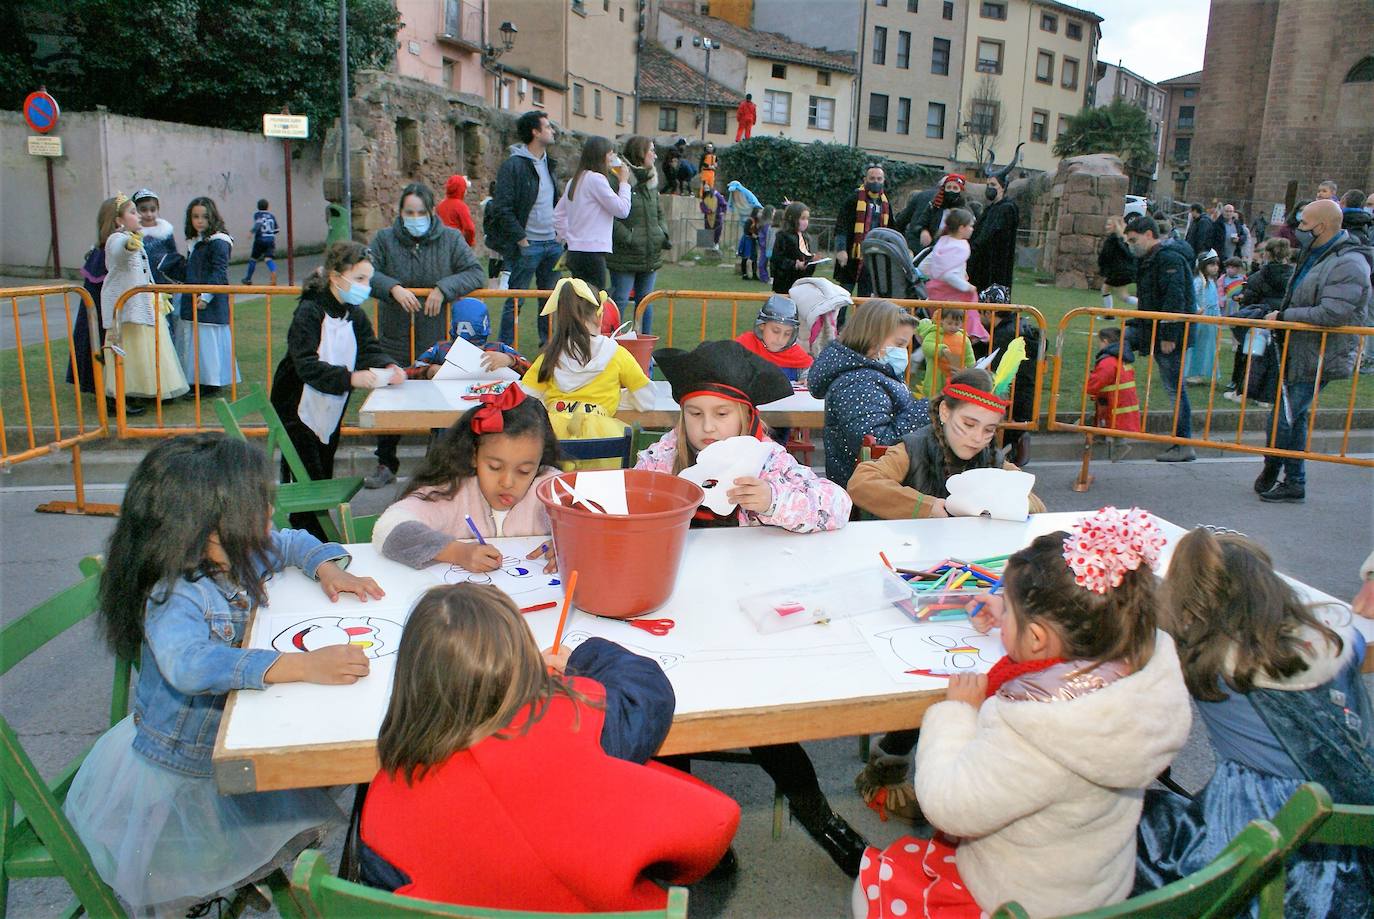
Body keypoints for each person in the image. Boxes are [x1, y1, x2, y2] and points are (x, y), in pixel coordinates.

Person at [63, 433, 383, 915]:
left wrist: (326, 567)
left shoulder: (234, 550)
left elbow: (290, 541)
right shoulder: (174, 593)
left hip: (230, 732)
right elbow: (189, 663)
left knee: (321, 764)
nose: (269, 521)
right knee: (309, 777)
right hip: (187, 769)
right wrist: (298, 665)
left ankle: (237, 874)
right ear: (206, 528)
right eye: (258, 512)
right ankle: (208, 887)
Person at [855, 508, 1192, 918]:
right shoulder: (1138, 667)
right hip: (1094, 886)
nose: (1002, 616)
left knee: (871, 885)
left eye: (1009, 612)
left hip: (1019, 901)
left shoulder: (1036, 726)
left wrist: (956, 714)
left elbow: (948, 804)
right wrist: (1013, 617)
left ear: (1037, 638)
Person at [358, 583, 739, 910]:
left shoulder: (383, 810)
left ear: (410, 681)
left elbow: (390, 900)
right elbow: (648, 692)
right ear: (526, 665)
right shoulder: (576, 716)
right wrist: (583, 657)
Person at [637, 340, 864, 875]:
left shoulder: (770, 461)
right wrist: (660, 498)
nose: (707, 428)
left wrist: (775, 501)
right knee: (669, 721)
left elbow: (838, 506)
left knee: (764, 723)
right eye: (695, 414)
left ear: (747, 416)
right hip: (677, 613)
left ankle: (822, 819)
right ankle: (690, 837)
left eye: (721, 415)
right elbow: (632, 502)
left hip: (745, 616)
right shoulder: (665, 456)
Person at [1136, 527, 1373, 915]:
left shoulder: (1203, 660)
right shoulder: (1340, 640)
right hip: (1349, 811)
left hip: (1255, 820)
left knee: (1136, 822)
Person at [847, 367, 1044, 819]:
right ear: (943, 411)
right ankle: (894, 756)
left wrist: (1012, 500)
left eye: (989, 429)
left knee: (982, 659)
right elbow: (863, 483)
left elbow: (1036, 503)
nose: (977, 438)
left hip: (974, 586)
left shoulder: (993, 460)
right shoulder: (911, 448)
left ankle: (967, 755)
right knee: (931, 663)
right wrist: (932, 507)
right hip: (909, 580)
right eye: (967, 424)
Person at [270, 242, 405, 537]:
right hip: (296, 404)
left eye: (368, 280)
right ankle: (307, 533)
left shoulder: (352, 313)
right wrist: (351, 379)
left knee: (324, 464)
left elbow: (369, 347)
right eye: (358, 279)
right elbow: (305, 364)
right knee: (308, 475)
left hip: (330, 403)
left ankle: (313, 531)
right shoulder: (309, 311)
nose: (364, 287)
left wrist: (389, 365)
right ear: (335, 276)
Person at [365, 182, 485, 488]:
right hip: (395, 334)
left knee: (439, 394)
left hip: (434, 335)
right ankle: (385, 462)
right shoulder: (384, 239)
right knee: (389, 394)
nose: (414, 217)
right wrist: (392, 287)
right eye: (409, 212)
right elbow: (368, 273)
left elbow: (474, 272)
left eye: (420, 212)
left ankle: (436, 460)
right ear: (400, 212)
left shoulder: (450, 238)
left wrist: (444, 288)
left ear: (431, 212)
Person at [1256, 198, 1373, 503]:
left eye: (1304, 224)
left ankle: (1277, 467)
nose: (1298, 229)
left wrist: (1284, 318)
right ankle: (1292, 479)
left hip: (1321, 353)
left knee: (1287, 416)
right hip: (1302, 348)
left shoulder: (1349, 262)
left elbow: (1333, 313)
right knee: (1293, 414)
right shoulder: (1316, 253)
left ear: (1321, 227)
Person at [373, 386, 559, 570]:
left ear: (539, 462)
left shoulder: (552, 489)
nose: (507, 482)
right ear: (473, 455)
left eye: (525, 471)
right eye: (494, 467)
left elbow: (588, 527)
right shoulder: (450, 491)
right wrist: (456, 552)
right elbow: (387, 527)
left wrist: (569, 545)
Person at [808, 299, 931, 488]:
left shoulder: (871, 374)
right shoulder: (857, 384)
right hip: (871, 489)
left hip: (881, 482)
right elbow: (877, 445)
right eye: (899, 344)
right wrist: (927, 410)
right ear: (873, 338)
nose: (902, 352)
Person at [522, 277, 655, 442]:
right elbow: (646, 400)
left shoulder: (550, 355)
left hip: (554, 435)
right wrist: (616, 397)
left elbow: (525, 397)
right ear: (600, 317)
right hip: (602, 435)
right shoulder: (616, 354)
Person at [101, 193, 189, 407]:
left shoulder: (134, 238)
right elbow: (119, 251)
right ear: (118, 220)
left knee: (150, 348)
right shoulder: (118, 239)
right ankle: (120, 395)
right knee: (129, 350)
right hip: (127, 307)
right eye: (132, 212)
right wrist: (129, 244)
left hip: (144, 303)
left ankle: (153, 388)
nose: (139, 215)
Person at [1123, 213, 1197, 462]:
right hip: (1156, 329)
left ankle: (1183, 442)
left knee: (1175, 389)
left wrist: (1169, 334)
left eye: (1133, 240)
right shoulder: (1153, 259)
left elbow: (1175, 299)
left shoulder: (1167, 259)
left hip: (1169, 333)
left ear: (1148, 235)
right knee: (1116, 340)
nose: (1131, 245)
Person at [487, 111, 563, 346]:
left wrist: (560, 234)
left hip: (552, 244)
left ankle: (548, 350)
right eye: (547, 127)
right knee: (516, 300)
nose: (552, 131)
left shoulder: (550, 164)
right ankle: (505, 349)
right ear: (535, 132)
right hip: (528, 245)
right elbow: (502, 207)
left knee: (550, 301)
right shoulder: (514, 165)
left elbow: (553, 202)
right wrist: (521, 239)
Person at [175, 196, 241, 392]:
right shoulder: (196, 241)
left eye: (204, 216)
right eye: (195, 216)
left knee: (208, 343)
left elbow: (219, 272)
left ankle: (210, 382)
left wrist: (206, 295)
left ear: (212, 217)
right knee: (196, 341)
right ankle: (197, 379)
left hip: (209, 300)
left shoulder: (219, 241)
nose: (200, 220)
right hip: (193, 296)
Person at [607, 136, 671, 335]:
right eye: (651, 150)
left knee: (646, 302)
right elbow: (610, 217)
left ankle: (644, 348)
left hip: (650, 252)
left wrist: (662, 232)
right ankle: (610, 346)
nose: (655, 154)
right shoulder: (616, 178)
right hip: (625, 255)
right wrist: (629, 238)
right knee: (620, 301)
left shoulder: (652, 180)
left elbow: (658, 211)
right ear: (639, 152)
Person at [553, 136, 632, 291]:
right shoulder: (596, 179)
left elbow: (558, 215)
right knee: (596, 300)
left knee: (580, 300)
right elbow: (622, 210)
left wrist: (568, 237)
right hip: (592, 252)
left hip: (575, 251)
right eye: (610, 154)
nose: (613, 158)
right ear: (601, 155)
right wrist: (624, 182)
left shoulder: (575, 180)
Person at [406, 297, 530, 380]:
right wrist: (429, 371)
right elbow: (410, 372)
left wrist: (510, 360)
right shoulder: (441, 349)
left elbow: (533, 372)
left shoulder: (499, 349)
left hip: (491, 406)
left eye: (477, 347)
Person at [920, 209, 989, 343]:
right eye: (970, 226)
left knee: (940, 328)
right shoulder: (960, 247)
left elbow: (925, 267)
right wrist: (966, 287)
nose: (972, 229)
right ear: (961, 228)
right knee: (961, 324)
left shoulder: (942, 242)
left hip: (935, 291)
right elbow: (949, 274)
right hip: (952, 293)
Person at [967, 144, 1023, 293]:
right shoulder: (991, 208)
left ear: (1003, 187)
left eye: (993, 184)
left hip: (997, 265)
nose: (989, 188)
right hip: (983, 264)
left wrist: (973, 248)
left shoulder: (1007, 208)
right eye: (988, 184)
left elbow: (989, 235)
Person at [833, 164, 892, 297]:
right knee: (843, 295)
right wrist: (841, 250)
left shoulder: (886, 204)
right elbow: (841, 226)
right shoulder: (853, 200)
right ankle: (840, 319)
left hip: (873, 256)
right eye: (872, 178)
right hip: (852, 255)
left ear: (883, 181)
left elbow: (892, 229)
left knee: (865, 297)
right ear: (865, 180)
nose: (875, 182)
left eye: (879, 178)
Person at [1085, 327, 1141, 452]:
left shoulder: (1108, 361)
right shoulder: (1122, 358)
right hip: (1122, 400)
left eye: (1099, 342)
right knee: (1113, 422)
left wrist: (1089, 387)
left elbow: (1098, 380)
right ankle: (1101, 436)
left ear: (1105, 342)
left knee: (1113, 422)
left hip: (1114, 401)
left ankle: (1119, 447)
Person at [1184, 249, 1221, 385]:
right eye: (1212, 265)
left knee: (1206, 347)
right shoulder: (1198, 281)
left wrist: (1218, 317)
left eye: (1216, 265)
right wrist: (1197, 309)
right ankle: (1189, 373)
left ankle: (1199, 372)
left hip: (1210, 320)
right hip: (1200, 319)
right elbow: (1191, 297)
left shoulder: (1211, 282)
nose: (1215, 268)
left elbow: (1215, 302)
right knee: (1195, 346)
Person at [917, 308, 974, 397]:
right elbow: (926, 347)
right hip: (935, 376)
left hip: (955, 376)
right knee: (933, 397)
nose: (953, 327)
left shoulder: (964, 339)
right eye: (949, 323)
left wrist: (971, 368)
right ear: (942, 320)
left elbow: (969, 356)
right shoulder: (934, 333)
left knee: (952, 397)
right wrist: (941, 349)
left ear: (962, 323)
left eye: (957, 324)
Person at [131, 188, 182, 286]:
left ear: (158, 209)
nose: (149, 214)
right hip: (140, 281)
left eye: (153, 210)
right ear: (135, 211)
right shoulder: (133, 233)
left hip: (163, 280)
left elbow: (173, 256)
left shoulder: (165, 232)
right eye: (143, 210)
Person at [770, 201, 817, 294]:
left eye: (807, 219)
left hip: (802, 284)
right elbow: (777, 259)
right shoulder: (782, 236)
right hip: (785, 283)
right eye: (802, 218)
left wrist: (812, 261)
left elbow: (806, 261)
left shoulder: (806, 237)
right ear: (793, 219)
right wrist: (794, 264)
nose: (806, 222)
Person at [911, 173, 968, 250]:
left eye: (955, 188)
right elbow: (919, 224)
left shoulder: (965, 212)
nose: (951, 190)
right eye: (949, 187)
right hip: (931, 248)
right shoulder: (934, 206)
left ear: (960, 191)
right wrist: (923, 231)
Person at [1098, 215, 1138, 308]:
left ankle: (1147, 305)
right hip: (1123, 272)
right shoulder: (1123, 238)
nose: (1106, 227)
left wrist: (1103, 266)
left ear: (1115, 226)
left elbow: (1106, 254)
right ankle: (1108, 314)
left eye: (1109, 225)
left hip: (1118, 272)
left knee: (1121, 295)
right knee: (1110, 291)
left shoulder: (1114, 239)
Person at [242, 198, 279, 285]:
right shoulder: (272, 216)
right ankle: (273, 272)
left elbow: (258, 224)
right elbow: (277, 230)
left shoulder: (257, 215)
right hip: (270, 239)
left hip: (260, 239)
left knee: (253, 259)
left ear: (258, 207)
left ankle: (248, 279)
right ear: (268, 207)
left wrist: (252, 232)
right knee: (268, 259)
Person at [435, 175, 476, 246]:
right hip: (455, 243)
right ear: (461, 189)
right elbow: (469, 228)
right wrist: (469, 242)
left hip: (441, 243)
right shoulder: (461, 206)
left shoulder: (440, 205)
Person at [738, 206, 762, 281]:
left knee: (754, 257)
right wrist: (753, 235)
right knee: (745, 257)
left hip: (753, 240)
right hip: (747, 240)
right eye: (759, 212)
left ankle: (754, 274)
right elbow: (746, 230)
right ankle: (744, 274)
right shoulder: (749, 220)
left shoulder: (758, 221)